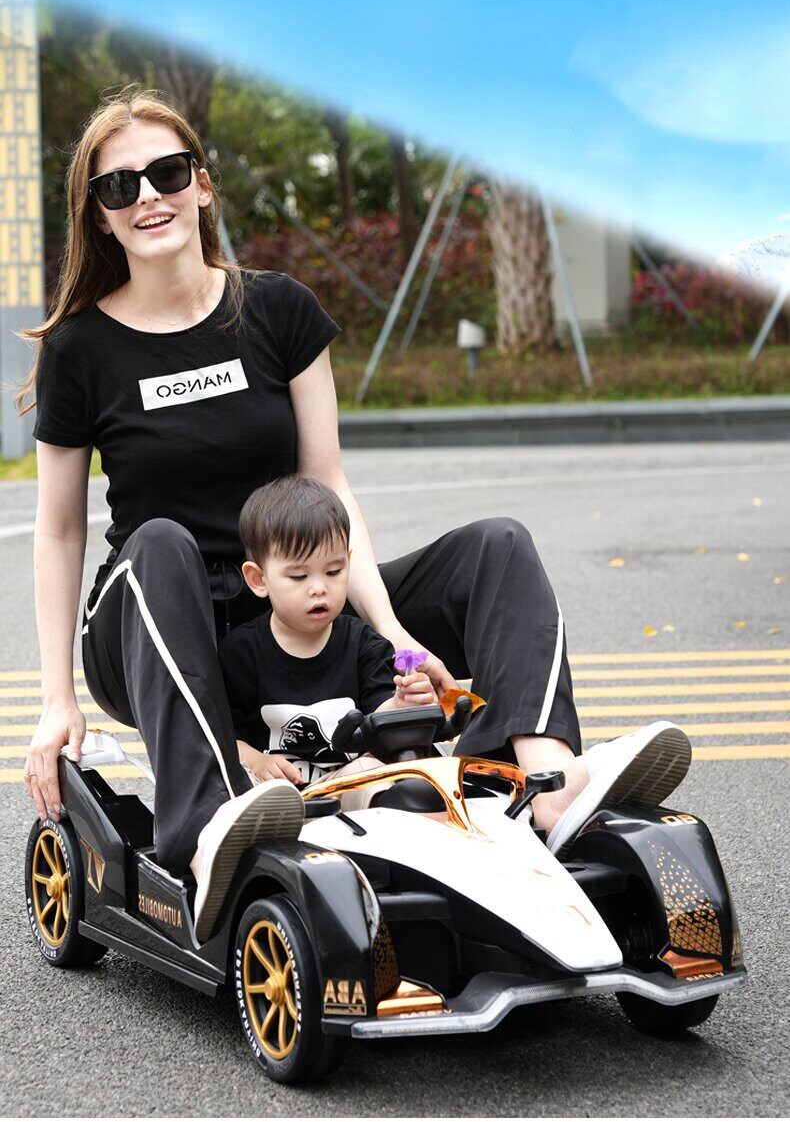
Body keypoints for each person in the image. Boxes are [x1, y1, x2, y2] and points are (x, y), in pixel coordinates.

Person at [21, 87, 690, 941]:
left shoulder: (278, 311)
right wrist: (56, 698)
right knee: (160, 544)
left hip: (293, 597)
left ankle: (540, 781)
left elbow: (328, 486)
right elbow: (60, 529)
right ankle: (209, 819)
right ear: (101, 216)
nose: (149, 195)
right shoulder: (82, 349)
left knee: (497, 547)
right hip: (158, 623)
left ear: (203, 185)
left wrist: (395, 635)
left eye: (168, 172)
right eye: (121, 186)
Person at [219, 473, 435, 791]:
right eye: (299, 576)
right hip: (273, 791)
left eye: (333, 571)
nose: (319, 588)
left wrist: (402, 702)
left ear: (348, 563)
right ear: (258, 579)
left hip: (344, 784)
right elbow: (222, 737)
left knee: (379, 770)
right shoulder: (240, 652)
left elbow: (379, 715)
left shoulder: (364, 644)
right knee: (233, 778)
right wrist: (258, 761)